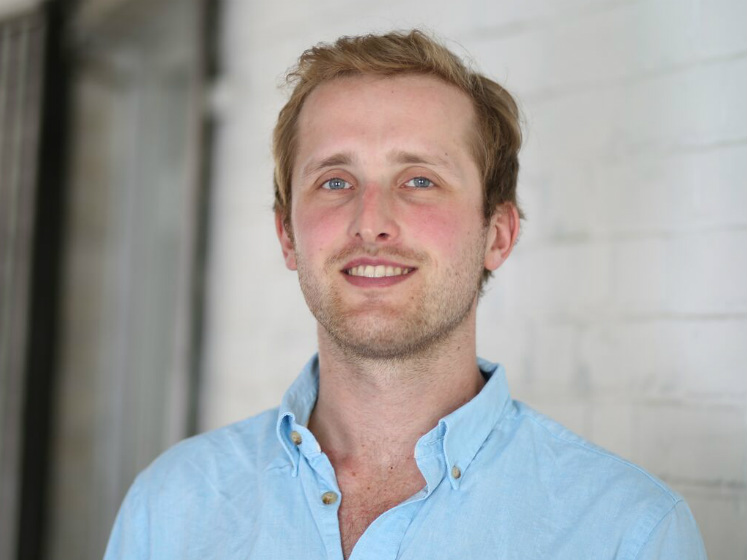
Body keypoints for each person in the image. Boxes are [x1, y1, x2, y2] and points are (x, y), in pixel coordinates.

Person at [105, 30, 707, 559]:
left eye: (419, 180)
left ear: (496, 235)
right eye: (335, 181)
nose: (372, 222)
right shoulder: (171, 506)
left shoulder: (628, 534)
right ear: (288, 235)